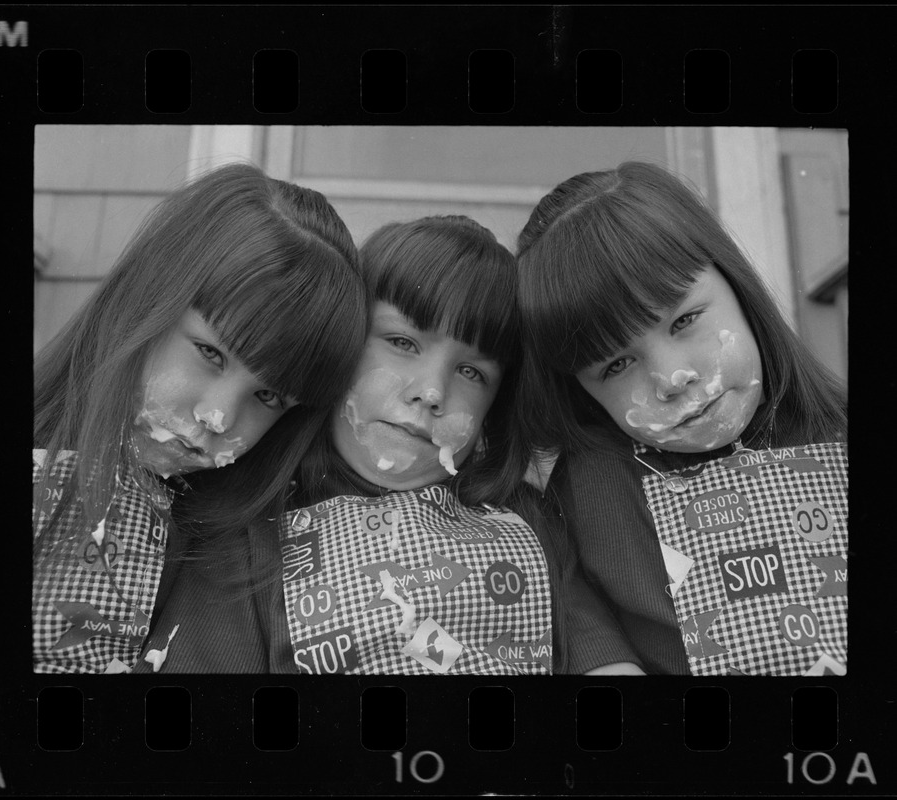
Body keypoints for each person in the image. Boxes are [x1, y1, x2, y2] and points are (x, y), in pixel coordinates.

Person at [133, 215, 561, 674]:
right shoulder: (245, 534)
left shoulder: (532, 525)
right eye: (402, 341)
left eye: (472, 372)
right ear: (340, 352)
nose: (432, 392)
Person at [33, 163, 368, 673]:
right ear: (144, 297)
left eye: (269, 396)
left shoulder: (241, 569)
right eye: (210, 354)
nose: (218, 417)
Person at [515, 161, 848, 676]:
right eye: (617, 363)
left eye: (685, 320)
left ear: (736, 283)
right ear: (580, 389)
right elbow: (586, 635)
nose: (672, 378)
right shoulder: (589, 492)